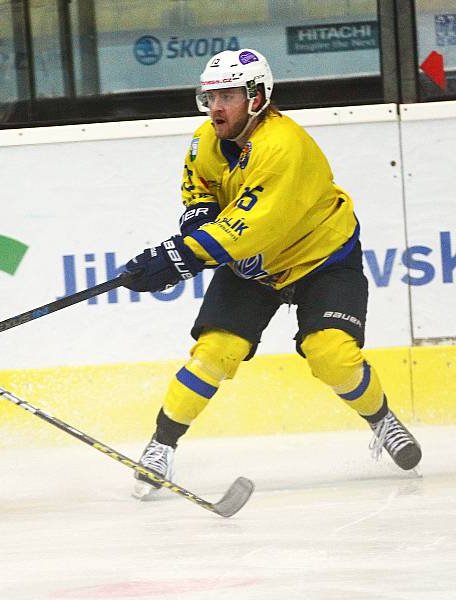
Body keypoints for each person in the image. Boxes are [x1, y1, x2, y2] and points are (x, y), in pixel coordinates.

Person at [122, 49, 422, 499]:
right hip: (255, 268)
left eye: (228, 95)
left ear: (257, 97)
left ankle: (380, 419)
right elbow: (198, 192)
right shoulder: (205, 141)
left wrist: (179, 258)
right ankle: (161, 445)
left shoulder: (283, 148)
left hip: (320, 258)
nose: (216, 106)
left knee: (331, 355)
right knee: (214, 352)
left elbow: (247, 229)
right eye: (211, 95)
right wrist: (191, 232)